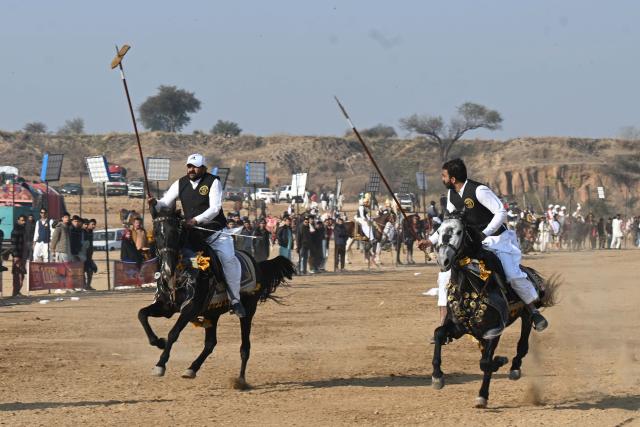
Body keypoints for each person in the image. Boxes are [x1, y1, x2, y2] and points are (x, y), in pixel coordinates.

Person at [422, 158, 548, 332]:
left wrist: (485, 233)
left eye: (443, 176)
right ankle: (444, 322)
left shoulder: (479, 191)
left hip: (497, 240)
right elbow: (448, 223)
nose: (442, 179)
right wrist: (430, 240)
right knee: (445, 276)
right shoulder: (451, 195)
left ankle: (533, 310)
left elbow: (501, 212)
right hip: (471, 243)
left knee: (511, 275)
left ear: (452, 179)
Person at [149, 153, 246, 318]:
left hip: (215, 233)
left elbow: (215, 208)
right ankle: (164, 293)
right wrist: (155, 203)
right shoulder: (180, 183)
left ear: (203, 168)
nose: (191, 169)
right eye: (189, 166)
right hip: (192, 235)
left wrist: (196, 220)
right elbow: (165, 203)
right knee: (170, 254)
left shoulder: (213, 181)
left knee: (228, 260)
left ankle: (235, 300)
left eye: (195, 166)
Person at [11, 215, 28, 297]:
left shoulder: (23, 230)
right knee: (17, 275)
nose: (23, 222)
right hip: (17, 256)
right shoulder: (16, 230)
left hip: (22, 255)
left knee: (22, 274)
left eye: (24, 220)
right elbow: (13, 244)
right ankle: (15, 292)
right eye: (22, 220)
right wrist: (16, 256)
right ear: (18, 220)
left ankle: (17, 291)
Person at [84, 219, 97, 290]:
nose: (93, 226)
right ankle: (84, 285)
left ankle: (88, 285)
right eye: (92, 224)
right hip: (83, 255)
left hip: (89, 256)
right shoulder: (84, 232)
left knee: (91, 270)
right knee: (82, 271)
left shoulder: (91, 232)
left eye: (94, 224)